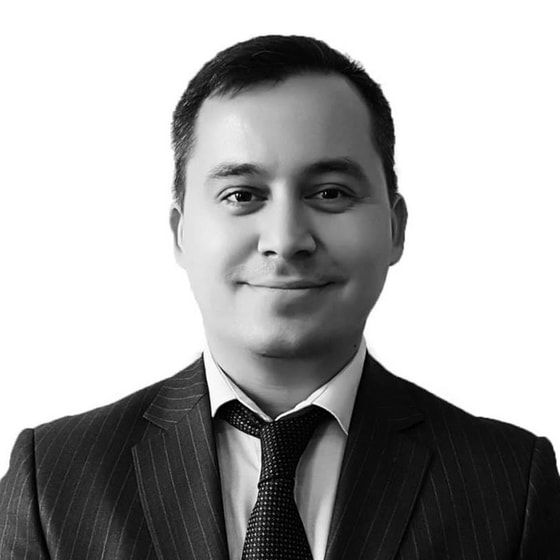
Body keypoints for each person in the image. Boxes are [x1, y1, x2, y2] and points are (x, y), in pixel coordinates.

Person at [1, 34, 559, 560]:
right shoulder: (53, 480)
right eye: (242, 195)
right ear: (180, 232)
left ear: (395, 229)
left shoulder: (509, 483)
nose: (286, 239)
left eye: (331, 193)